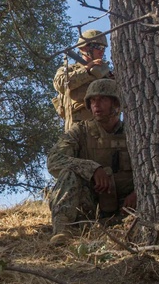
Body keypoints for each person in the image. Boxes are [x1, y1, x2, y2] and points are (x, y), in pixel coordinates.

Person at [47, 78, 136, 234]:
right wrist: (92, 169)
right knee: (69, 173)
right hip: (91, 207)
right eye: (93, 100)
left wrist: (140, 194)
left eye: (103, 99)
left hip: (127, 208)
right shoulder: (80, 131)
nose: (96, 104)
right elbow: (54, 160)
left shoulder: (133, 132)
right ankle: (62, 231)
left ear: (115, 103)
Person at [52, 29, 114, 131]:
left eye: (103, 48)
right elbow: (60, 84)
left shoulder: (106, 75)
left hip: (105, 128)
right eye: (98, 47)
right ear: (84, 48)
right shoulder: (70, 69)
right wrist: (87, 71)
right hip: (79, 127)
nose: (101, 51)